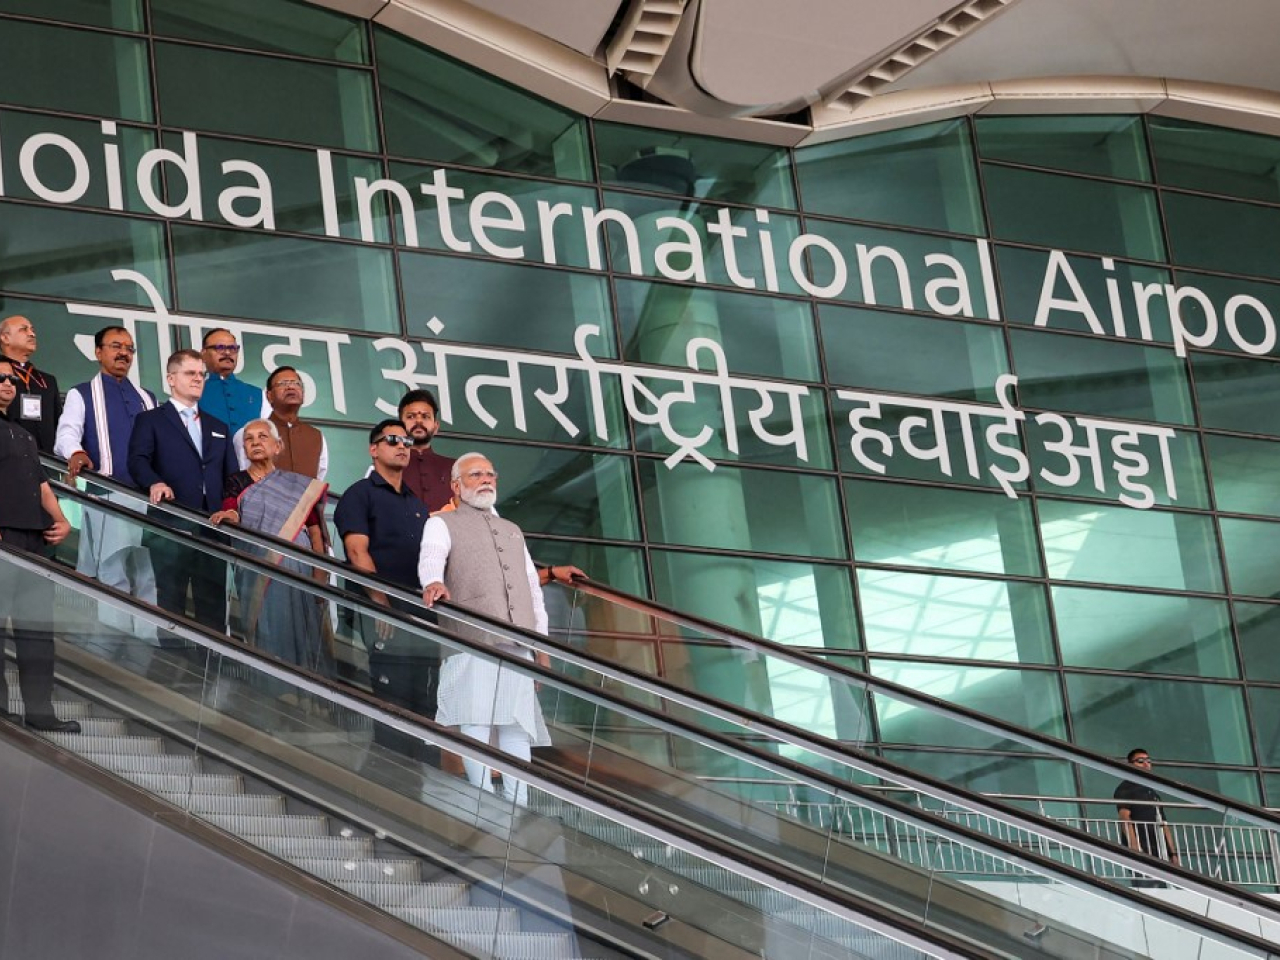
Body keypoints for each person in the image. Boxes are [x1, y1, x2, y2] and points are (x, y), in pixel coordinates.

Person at [419, 452, 552, 807]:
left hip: (519, 640)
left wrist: (542, 646)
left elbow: (531, 588)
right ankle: (482, 801)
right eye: (476, 474)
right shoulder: (441, 523)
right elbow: (431, 558)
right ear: (457, 485)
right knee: (474, 719)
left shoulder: (512, 530)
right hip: (472, 638)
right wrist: (432, 582)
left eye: (490, 474)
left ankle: (518, 803)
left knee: (516, 726)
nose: (486, 479)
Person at [53, 326, 159, 669]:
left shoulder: (148, 397)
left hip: (146, 500)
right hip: (107, 493)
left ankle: (144, 649)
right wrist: (76, 452)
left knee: (145, 574)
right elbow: (66, 433)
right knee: (111, 569)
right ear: (98, 352)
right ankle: (107, 650)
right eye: (116, 346)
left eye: (129, 348)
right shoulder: (83, 393)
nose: (124, 353)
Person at [334, 419, 436, 769]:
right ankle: (391, 785)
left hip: (421, 618)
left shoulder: (418, 505)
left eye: (406, 440)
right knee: (392, 704)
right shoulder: (359, 493)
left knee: (424, 705)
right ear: (373, 449)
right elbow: (358, 552)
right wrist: (382, 607)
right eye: (392, 439)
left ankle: (417, 787)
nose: (402, 444)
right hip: (383, 616)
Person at [127, 349, 239, 634]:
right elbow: (137, 460)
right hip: (170, 523)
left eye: (202, 374)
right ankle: (171, 669)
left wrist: (231, 508)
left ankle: (210, 668)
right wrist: (154, 482)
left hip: (214, 529)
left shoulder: (218, 427)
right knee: (171, 600)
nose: (198, 379)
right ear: (171, 379)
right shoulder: (150, 420)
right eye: (190, 373)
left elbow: (231, 477)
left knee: (213, 606)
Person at [212, 419, 332, 679]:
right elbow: (231, 506)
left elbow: (314, 530)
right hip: (259, 567)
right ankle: (275, 689)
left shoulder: (297, 485)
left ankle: (309, 696)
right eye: (249, 439)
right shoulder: (237, 481)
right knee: (270, 627)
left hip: (300, 569)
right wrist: (229, 514)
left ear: (277, 446)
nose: (255, 442)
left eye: (262, 437)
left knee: (305, 629)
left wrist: (320, 574)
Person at [0, 359, 79, 732]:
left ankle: (40, 712)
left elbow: (41, 484)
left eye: (11, 379)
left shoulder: (23, 434)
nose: (7, 384)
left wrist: (62, 520)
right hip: (3, 539)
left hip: (33, 541)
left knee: (36, 631)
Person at [233, 366, 329, 480]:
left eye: (296, 383)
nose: (290, 387)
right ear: (269, 396)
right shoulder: (248, 433)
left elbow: (318, 479)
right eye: (282, 383)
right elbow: (243, 476)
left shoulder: (316, 436)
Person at [1114, 748, 1180, 875]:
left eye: (1148, 761)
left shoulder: (1152, 792)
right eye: (1140, 761)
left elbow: (1164, 824)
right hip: (1142, 846)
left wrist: (1172, 853)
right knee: (1145, 883)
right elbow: (1125, 818)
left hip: (1159, 847)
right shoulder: (1126, 789)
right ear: (1130, 765)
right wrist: (1135, 847)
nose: (1146, 764)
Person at [0, 315, 60, 453]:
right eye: (23, 329)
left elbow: (58, 425)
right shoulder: (2, 378)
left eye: (32, 330)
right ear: (5, 338)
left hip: (48, 465)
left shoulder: (48, 381)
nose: (32, 334)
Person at [198, 328, 268, 437]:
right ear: (203, 354)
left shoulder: (258, 395)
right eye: (220, 347)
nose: (227, 353)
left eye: (233, 348)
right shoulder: (193, 392)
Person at [398, 389, 454, 512]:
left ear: (436, 427)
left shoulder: (456, 468)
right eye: (411, 416)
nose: (418, 421)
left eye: (425, 416)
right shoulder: (385, 467)